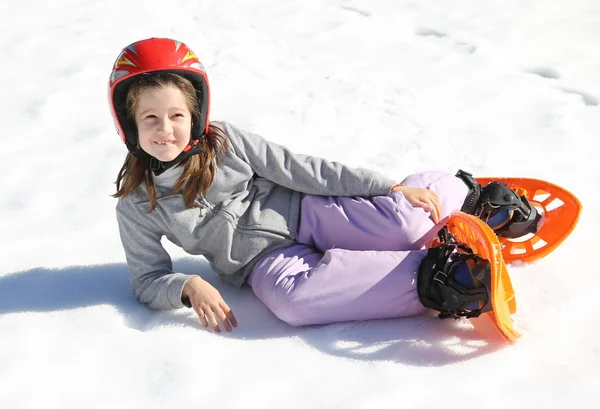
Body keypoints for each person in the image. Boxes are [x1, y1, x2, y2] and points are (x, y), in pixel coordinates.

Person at [109, 38, 539, 333]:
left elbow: (303, 169)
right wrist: (185, 286)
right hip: (258, 261)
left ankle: (467, 197)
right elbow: (147, 279)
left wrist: (389, 187)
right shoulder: (135, 204)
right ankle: (440, 280)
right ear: (130, 123)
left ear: (196, 115)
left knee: (404, 226)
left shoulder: (226, 140)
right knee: (294, 305)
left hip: (307, 210)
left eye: (176, 115)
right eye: (150, 118)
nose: (165, 129)